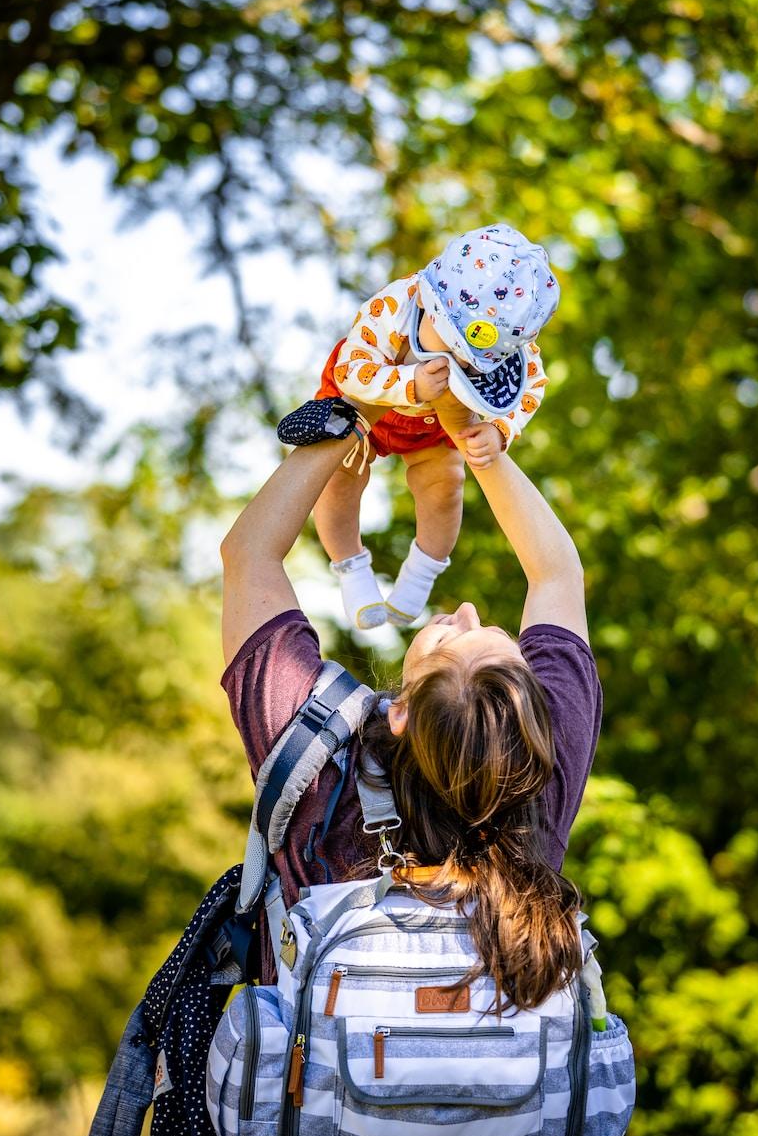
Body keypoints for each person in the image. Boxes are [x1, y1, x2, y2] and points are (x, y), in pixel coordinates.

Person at [217, 409, 598, 1005]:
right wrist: (486, 453)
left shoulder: (318, 771)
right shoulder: (542, 791)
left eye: (450, 635)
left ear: (400, 713)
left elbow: (248, 555)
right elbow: (557, 574)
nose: (467, 609)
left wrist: (351, 413)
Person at [310, 223, 559, 629]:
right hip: (366, 397)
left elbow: (533, 386)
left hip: (434, 418)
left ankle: (422, 571)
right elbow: (349, 369)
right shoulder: (393, 307)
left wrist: (502, 429)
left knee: (446, 482)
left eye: (471, 363)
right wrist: (410, 383)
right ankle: (350, 566)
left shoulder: (509, 337)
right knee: (339, 474)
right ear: (427, 298)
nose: (453, 365)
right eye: (447, 345)